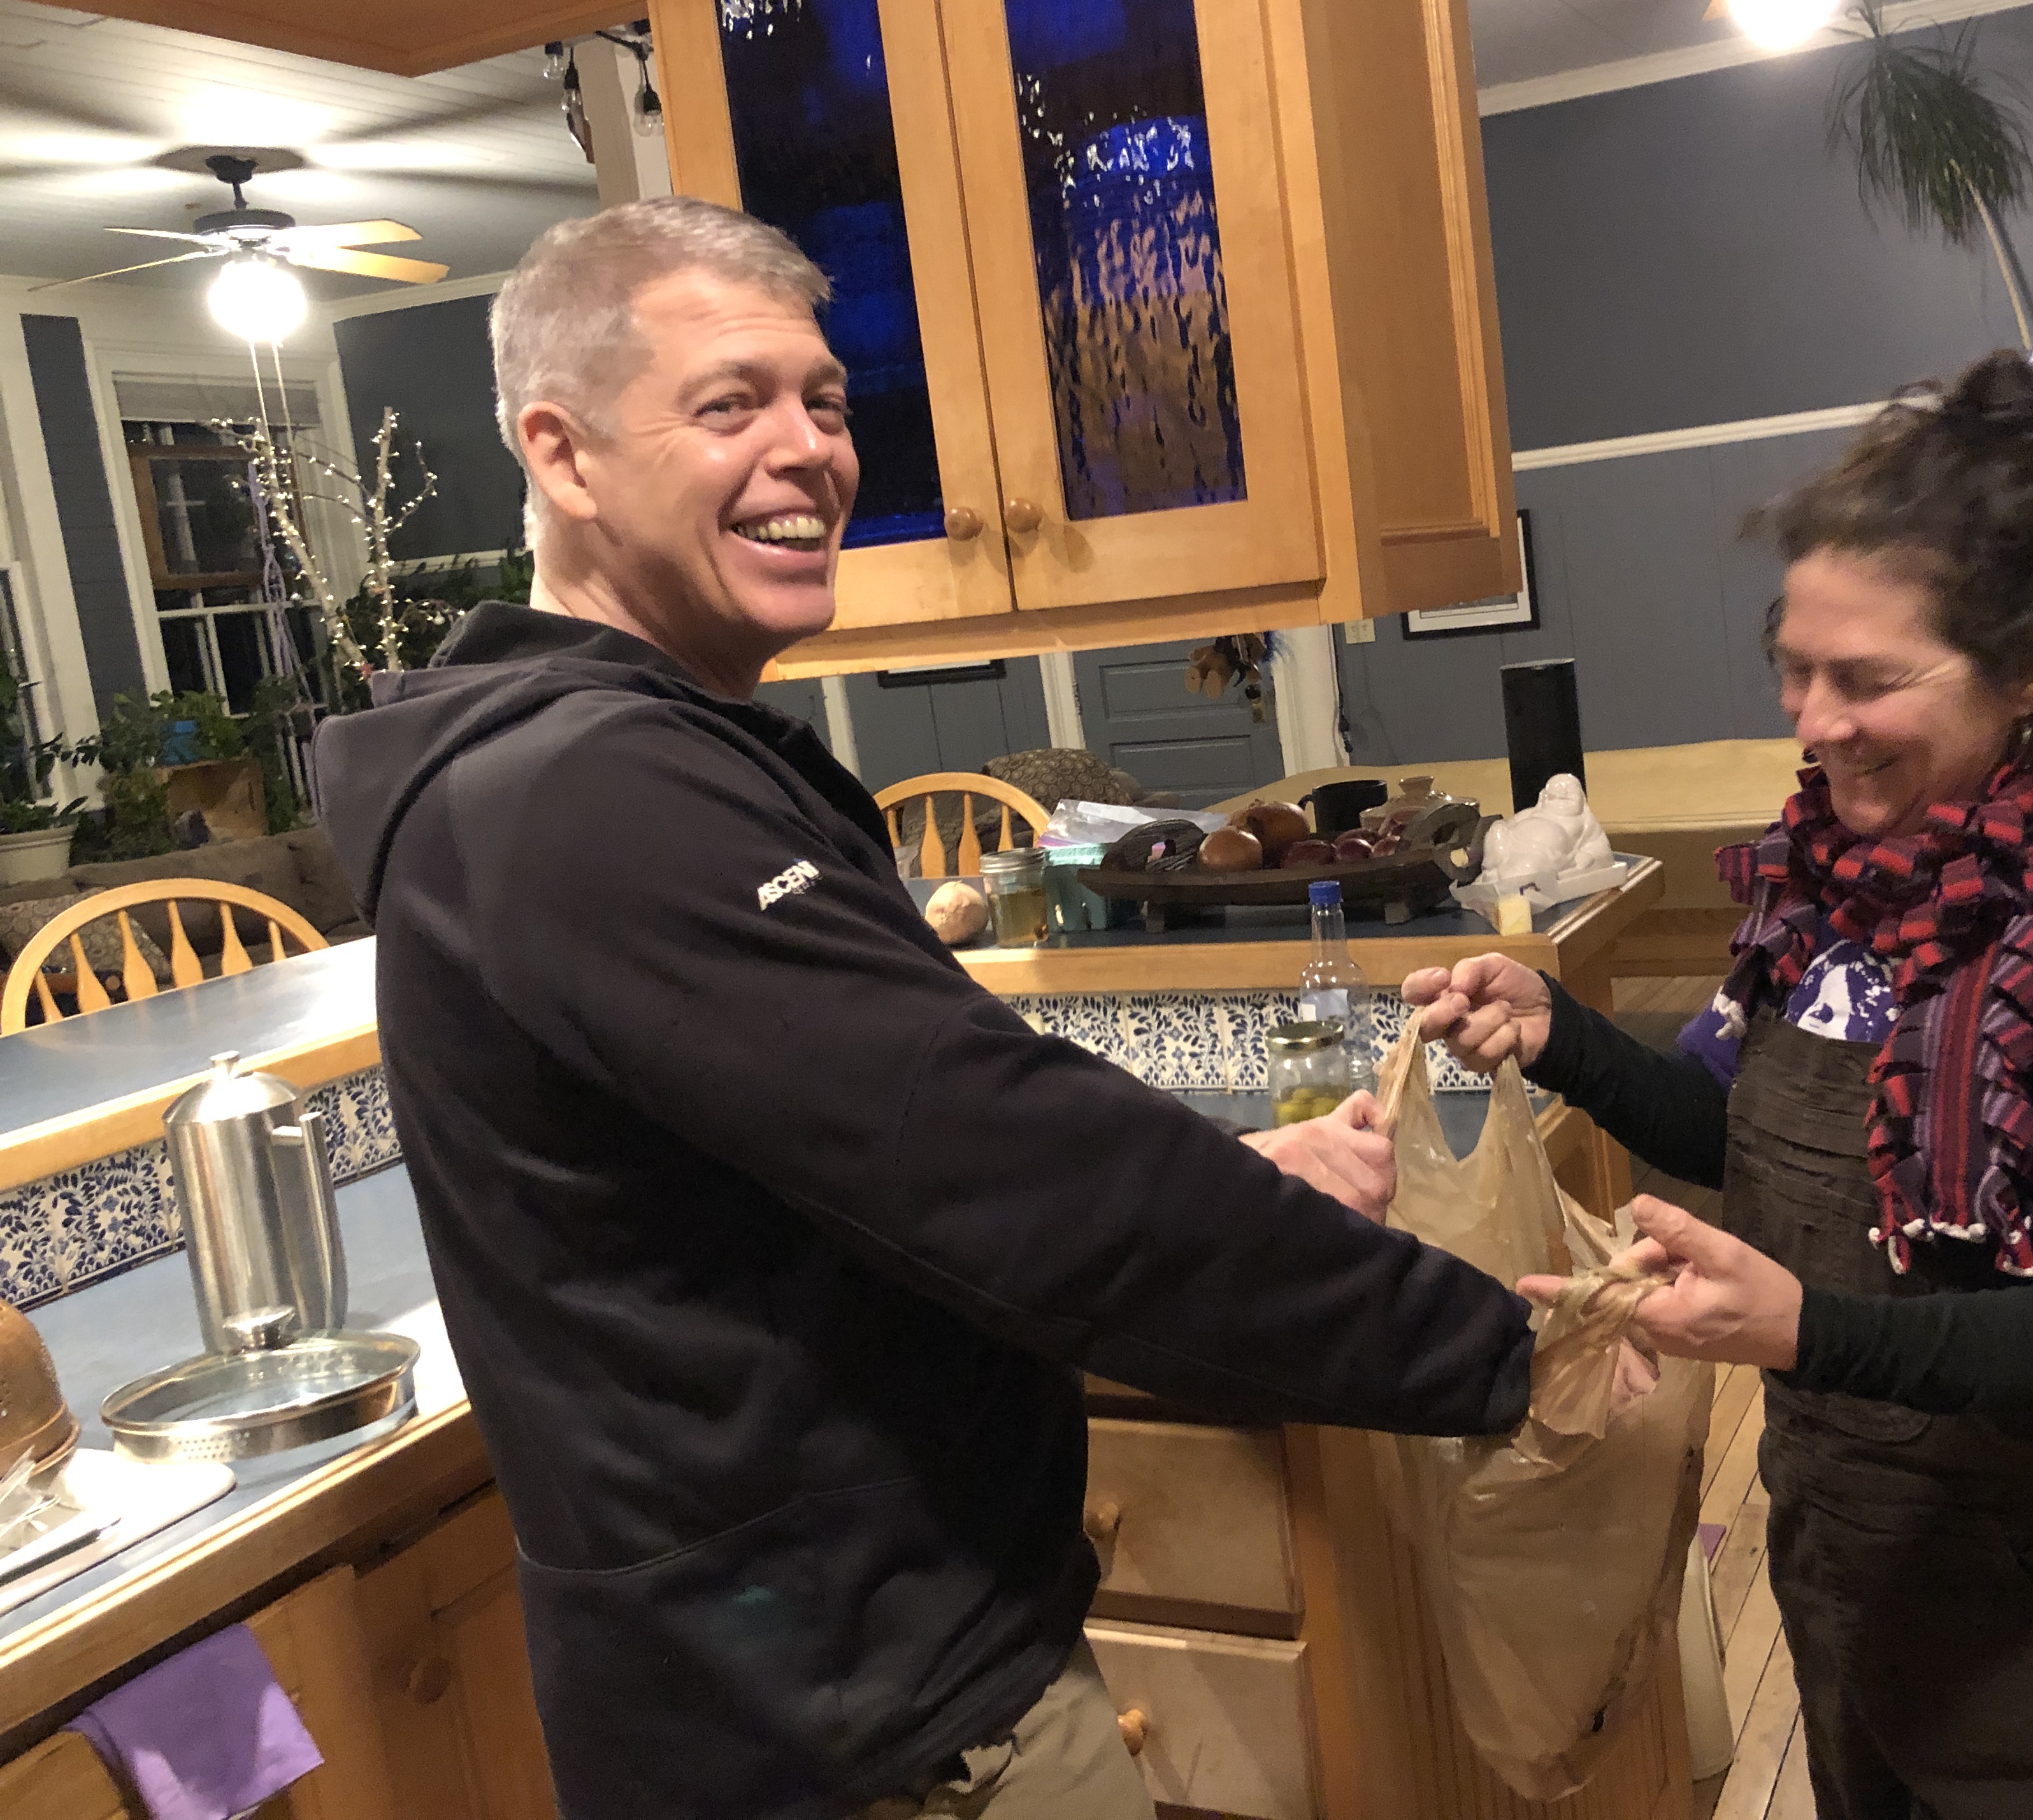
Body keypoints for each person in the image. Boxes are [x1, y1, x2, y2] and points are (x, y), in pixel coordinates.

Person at [312, 197, 1535, 1820]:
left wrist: (1235, 1176)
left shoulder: (617, 759)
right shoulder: (592, 797)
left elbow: (877, 1130)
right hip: (859, 1730)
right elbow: (995, 1163)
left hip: (838, 1681)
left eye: (824, 401)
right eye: (729, 403)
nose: (809, 450)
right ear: (564, 454)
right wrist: (1500, 1347)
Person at [1406, 350, 2033, 1819]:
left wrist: (1804, 1330)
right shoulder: (1833, 891)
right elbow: (1733, 1129)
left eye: (1868, 679)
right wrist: (1559, 1034)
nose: (1812, 721)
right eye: (1796, 666)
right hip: (1862, 1586)